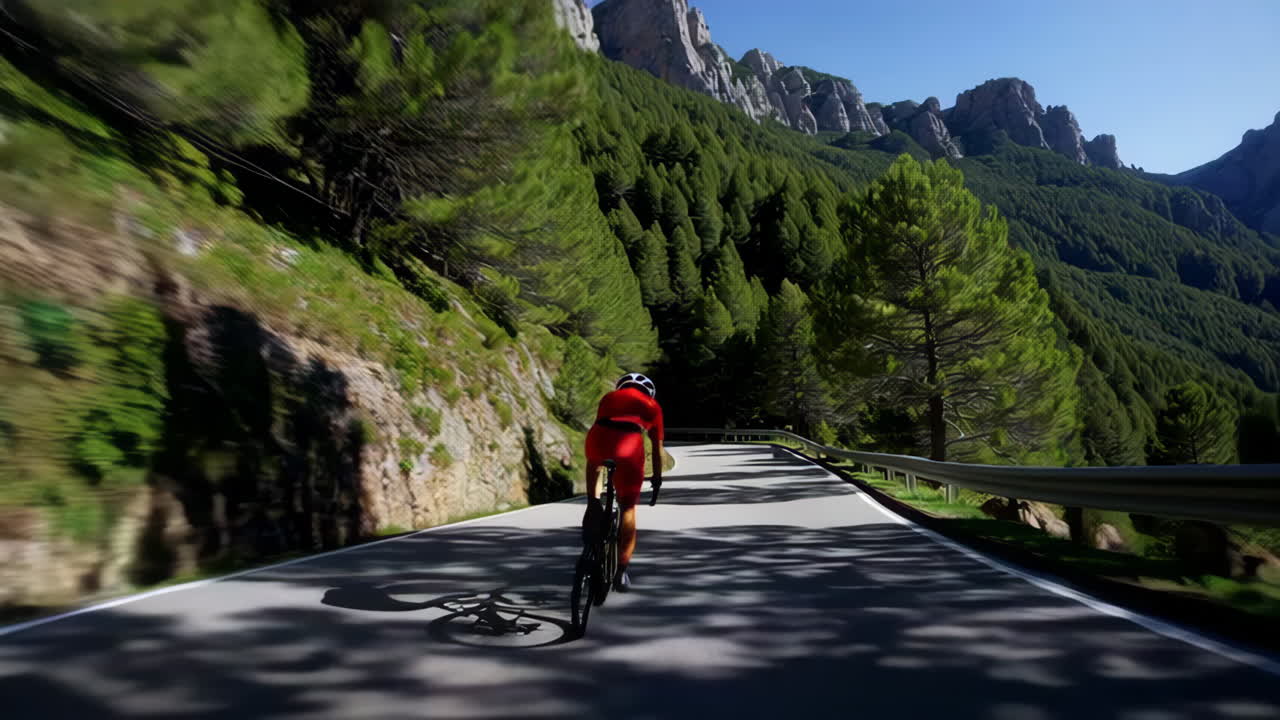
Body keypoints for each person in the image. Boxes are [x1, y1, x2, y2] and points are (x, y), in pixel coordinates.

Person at [582, 372, 664, 592]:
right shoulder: (653, 406)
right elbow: (656, 449)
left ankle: (593, 502)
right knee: (628, 508)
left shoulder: (609, 397)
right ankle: (621, 572)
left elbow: (600, 426)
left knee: (595, 462)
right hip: (628, 448)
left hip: (598, 440)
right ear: (649, 393)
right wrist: (657, 478)